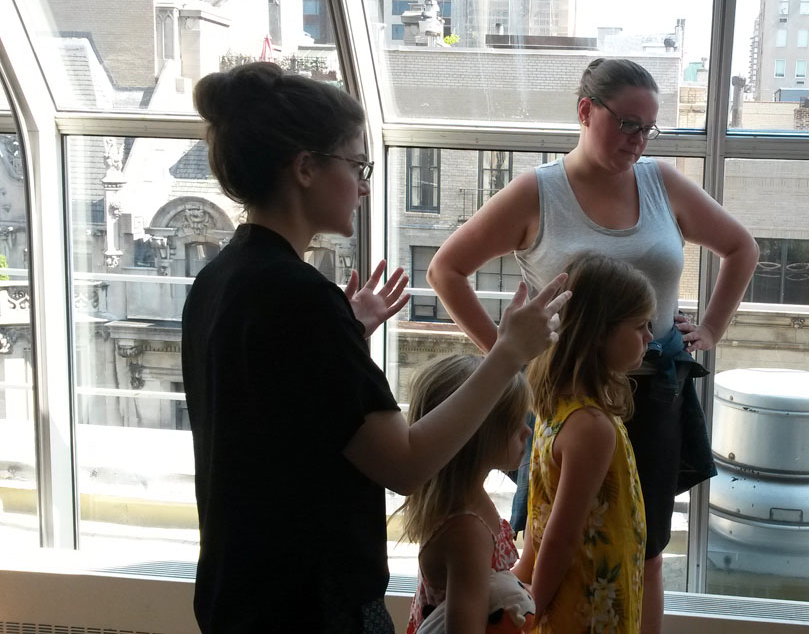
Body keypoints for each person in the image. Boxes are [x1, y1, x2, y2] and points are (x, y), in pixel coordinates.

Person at [181, 61, 569, 633]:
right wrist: (507, 353)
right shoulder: (300, 299)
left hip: (240, 591)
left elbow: (279, 419)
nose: (364, 184)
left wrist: (348, 335)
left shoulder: (221, 279)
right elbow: (405, 464)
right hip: (307, 607)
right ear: (306, 168)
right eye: (357, 164)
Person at [427, 57, 758, 632]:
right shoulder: (538, 193)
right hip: (563, 397)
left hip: (652, 392)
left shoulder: (662, 183)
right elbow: (445, 270)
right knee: (545, 529)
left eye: (648, 128)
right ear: (586, 111)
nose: (639, 139)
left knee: (644, 546)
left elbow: (740, 247)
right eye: (628, 123)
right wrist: (513, 361)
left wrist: (711, 329)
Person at [510, 253, 653, 632]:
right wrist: (532, 609)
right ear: (598, 332)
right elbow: (561, 535)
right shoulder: (590, 426)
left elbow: (540, 513)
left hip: (572, 595)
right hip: (588, 605)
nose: (650, 337)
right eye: (639, 325)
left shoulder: (554, 405)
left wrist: (523, 574)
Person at [400, 355, 534, 634]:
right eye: (515, 422)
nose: (527, 431)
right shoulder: (467, 530)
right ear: (477, 434)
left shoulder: (467, 498)